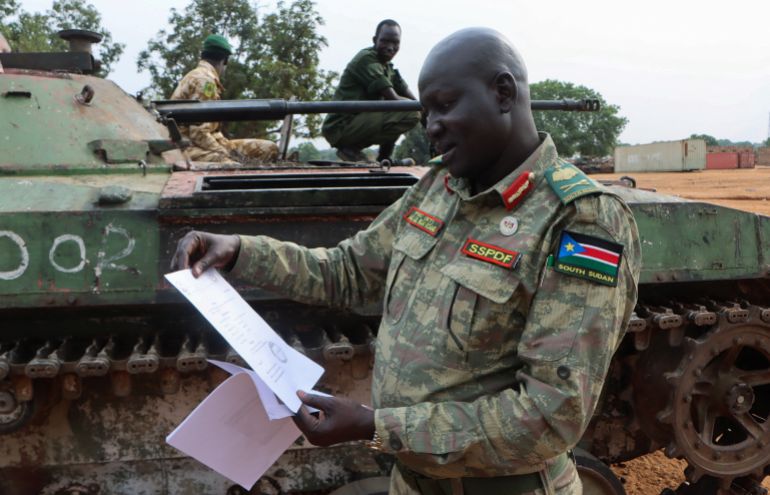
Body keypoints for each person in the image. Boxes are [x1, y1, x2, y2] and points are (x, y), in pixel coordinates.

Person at [172, 27, 641, 495]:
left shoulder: (580, 220)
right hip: (413, 482)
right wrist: (240, 251)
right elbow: (348, 273)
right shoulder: (437, 188)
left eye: (444, 105)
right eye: (425, 112)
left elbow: (549, 415)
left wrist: (377, 426)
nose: (431, 126)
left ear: (502, 92)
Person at [322, 19, 420, 163]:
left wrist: (429, 115)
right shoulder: (366, 59)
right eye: (385, 41)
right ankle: (349, 148)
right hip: (342, 126)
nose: (390, 47)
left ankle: (384, 157)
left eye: (395, 43)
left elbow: (414, 101)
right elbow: (395, 100)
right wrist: (420, 109)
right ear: (375, 40)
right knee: (408, 112)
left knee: (409, 111)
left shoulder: (388, 67)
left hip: (359, 122)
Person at [170, 34, 278, 164]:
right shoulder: (205, 81)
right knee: (233, 166)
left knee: (268, 149)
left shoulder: (198, 75)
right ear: (225, 60)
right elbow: (198, 133)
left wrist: (226, 149)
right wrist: (225, 153)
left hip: (208, 142)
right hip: (187, 147)